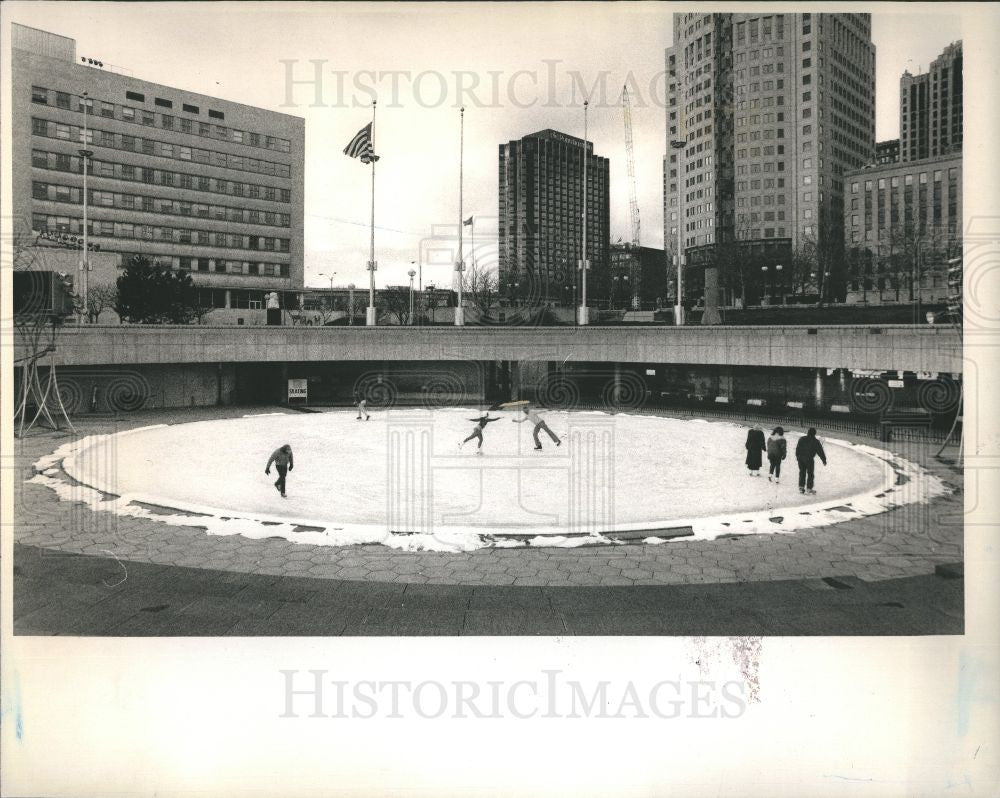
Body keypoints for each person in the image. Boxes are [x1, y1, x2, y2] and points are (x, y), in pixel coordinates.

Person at [795, 427, 828, 494]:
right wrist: (824, 460)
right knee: (810, 474)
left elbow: (797, 448)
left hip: (801, 458)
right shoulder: (815, 442)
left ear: (808, 432)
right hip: (809, 459)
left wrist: (798, 457)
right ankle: (809, 488)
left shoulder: (802, 439)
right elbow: (820, 451)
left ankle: (801, 487)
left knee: (802, 472)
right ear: (814, 434)